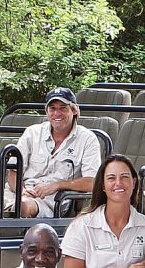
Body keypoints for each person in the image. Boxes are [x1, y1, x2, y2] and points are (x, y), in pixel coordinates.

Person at [10, 88, 104, 217]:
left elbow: (93, 182)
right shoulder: (32, 133)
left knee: (23, 206)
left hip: (53, 201)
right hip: (20, 193)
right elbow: (12, 172)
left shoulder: (87, 139)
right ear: (46, 111)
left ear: (74, 110)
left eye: (63, 108)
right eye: (52, 108)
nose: (57, 113)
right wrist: (21, 191)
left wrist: (57, 185)